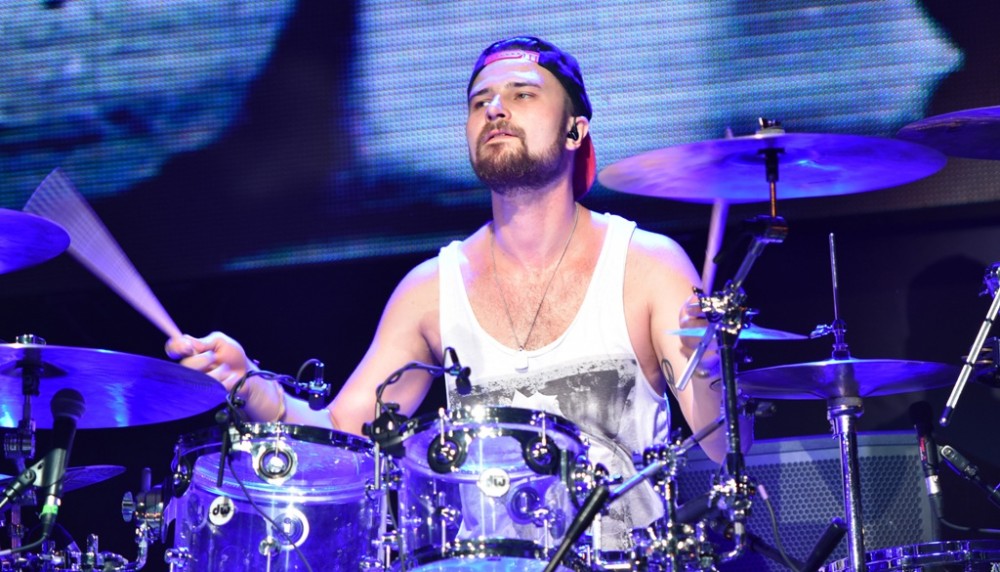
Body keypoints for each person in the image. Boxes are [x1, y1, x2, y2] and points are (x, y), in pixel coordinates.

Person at [166, 36, 750, 550]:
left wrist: (710, 361)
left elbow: (728, 444)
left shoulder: (647, 265)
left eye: (523, 94)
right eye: (479, 101)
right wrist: (251, 387)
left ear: (576, 130)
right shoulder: (431, 289)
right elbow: (345, 442)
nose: (495, 108)